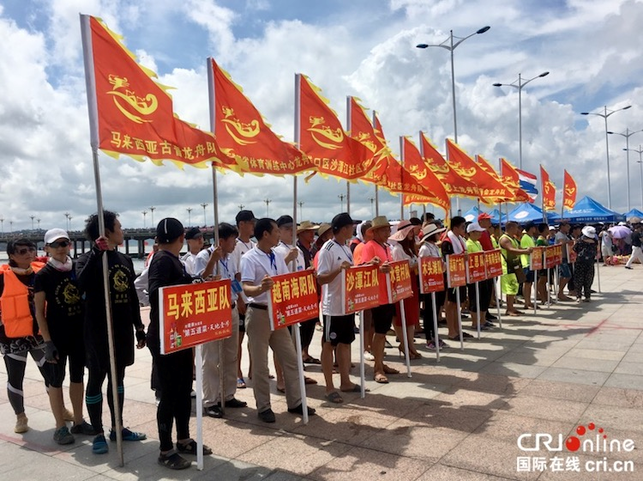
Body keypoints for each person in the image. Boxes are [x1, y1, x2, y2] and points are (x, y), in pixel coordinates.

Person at [76, 211, 147, 454]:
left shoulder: (125, 260)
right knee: (97, 377)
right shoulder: (86, 258)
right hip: (97, 330)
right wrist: (96, 253)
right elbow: (79, 286)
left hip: (122, 329)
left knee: (118, 378)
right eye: (119, 226)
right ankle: (97, 431)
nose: (123, 230)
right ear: (107, 231)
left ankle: (118, 427)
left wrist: (138, 326)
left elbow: (131, 298)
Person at [147, 218, 212, 469]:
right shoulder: (163, 259)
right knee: (170, 394)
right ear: (181, 237)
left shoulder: (174, 259)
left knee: (184, 390)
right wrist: (186, 284)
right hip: (165, 336)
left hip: (180, 335)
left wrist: (194, 281)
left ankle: (183, 438)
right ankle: (165, 449)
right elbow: (156, 293)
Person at [240, 218, 315, 423]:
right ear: (266, 234)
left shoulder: (277, 256)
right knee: (261, 364)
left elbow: (285, 281)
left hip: (278, 314)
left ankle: (296, 401)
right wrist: (260, 288)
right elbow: (245, 287)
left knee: (290, 358)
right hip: (259, 313)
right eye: (276, 231)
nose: (279, 235)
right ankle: (263, 406)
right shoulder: (249, 258)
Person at [34, 229, 94, 445]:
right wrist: (47, 341)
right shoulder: (43, 276)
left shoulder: (77, 268)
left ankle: (78, 420)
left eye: (64, 243)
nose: (61, 247)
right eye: (56, 244)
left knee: (78, 377)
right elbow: (39, 312)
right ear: (47, 248)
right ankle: (60, 426)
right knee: (55, 380)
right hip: (56, 336)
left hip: (78, 335)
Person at [1, 239, 53, 435]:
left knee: (51, 374)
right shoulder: (2, 278)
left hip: (40, 335)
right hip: (12, 338)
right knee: (15, 377)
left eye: (31, 249)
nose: (28, 253)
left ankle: (60, 409)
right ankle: (20, 416)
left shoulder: (41, 273)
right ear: (12, 256)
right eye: (22, 251)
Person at [202, 222, 247, 418]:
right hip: (212, 312)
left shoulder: (230, 257)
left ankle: (227, 394)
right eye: (232, 241)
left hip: (231, 308)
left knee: (231, 355)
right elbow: (198, 280)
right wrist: (212, 261)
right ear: (221, 240)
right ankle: (210, 400)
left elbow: (233, 279)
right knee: (211, 358)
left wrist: (242, 298)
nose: (235, 245)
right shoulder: (204, 257)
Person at [316, 213, 360, 403]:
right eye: (351, 226)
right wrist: (338, 269)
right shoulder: (328, 249)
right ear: (344, 229)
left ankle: (345, 381)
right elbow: (321, 278)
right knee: (329, 344)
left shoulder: (346, 248)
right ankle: (329, 387)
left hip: (347, 304)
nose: (352, 230)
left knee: (345, 342)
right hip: (333, 306)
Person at [359, 216, 399, 383]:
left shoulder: (386, 247)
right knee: (379, 333)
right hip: (377, 296)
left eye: (388, 229)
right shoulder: (369, 246)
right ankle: (378, 368)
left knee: (383, 332)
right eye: (383, 230)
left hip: (388, 294)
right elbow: (362, 267)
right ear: (374, 232)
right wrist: (375, 266)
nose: (387, 232)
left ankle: (381, 363)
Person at [230, 210, 256, 389]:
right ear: (241, 224)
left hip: (254, 299)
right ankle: (237, 372)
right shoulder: (236, 246)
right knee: (238, 339)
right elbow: (233, 275)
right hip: (242, 298)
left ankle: (254, 369)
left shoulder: (254, 245)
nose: (253, 225)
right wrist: (239, 297)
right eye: (251, 222)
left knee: (254, 338)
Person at [389, 221, 421, 359]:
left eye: (412, 231)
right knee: (404, 314)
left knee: (412, 315)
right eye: (408, 231)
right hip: (402, 284)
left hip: (412, 282)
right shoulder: (397, 249)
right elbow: (398, 269)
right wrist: (414, 266)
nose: (411, 234)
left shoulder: (409, 248)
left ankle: (409, 344)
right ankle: (405, 344)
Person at [296, 221, 321, 365]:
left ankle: (305, 352)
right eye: (309, 232)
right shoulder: (298, 251)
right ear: (301, 234)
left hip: (313, 291)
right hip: (302, 293)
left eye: (313, 231)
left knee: (311, 323)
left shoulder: (311, 250)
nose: (312, 234)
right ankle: (300, 355)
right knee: (303, 326)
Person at [441, 216, 471, 340]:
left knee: (458, 303)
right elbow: (447, 260)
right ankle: (451, 331)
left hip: (461, 275)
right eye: (463, 227)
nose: (465, 229)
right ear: (455, 227)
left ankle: (458, 329)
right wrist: (460, 258)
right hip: (452, 276)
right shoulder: (447, 241)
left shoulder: (460, 239)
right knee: (451, 303)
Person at [418, 223, 447, 350]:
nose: (439, 235)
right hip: (429, 284)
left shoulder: (434, 247)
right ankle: (429, 338)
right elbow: (423, 266)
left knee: (435, 311)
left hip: (437, 282)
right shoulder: (425, 249)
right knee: (429, 312)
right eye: (437, 233)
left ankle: (435, 336)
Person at [499, 221, 532, 316]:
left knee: (514, 288)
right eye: (516, 228)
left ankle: (512, 307)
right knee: (510, 288)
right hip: (507, 266)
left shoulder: (512, 238)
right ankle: (509, 309)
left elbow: (518, 247)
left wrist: (526, 249)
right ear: (511, 228)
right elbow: (511, 250)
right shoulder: (505, 239)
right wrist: (525, 251)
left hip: (514, 266)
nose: (518, 230)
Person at [465, 223, 491, 331]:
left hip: (481, 274)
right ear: (471, 233)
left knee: (484, 297)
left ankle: (482, 320)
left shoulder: (478, 243)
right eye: (478, 231)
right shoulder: (468, 244)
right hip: (473, 276)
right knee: (474, 299)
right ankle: (475, 322)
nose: (480, 233)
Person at [573, 226, 598, 302]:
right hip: (590, 262)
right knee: (588, 278)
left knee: (579, 279)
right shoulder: (595, 242)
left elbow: (575, 249)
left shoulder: (580, 241)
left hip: (580, 262)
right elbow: (596, 251)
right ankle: (587, 296)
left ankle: (579, 296)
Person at [519, 222, 537, 310]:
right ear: (531, 228)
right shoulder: (525, 238)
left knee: (529, 284)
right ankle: (527, 302)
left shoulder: (531, 237)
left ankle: (529, 301)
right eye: (534, 228)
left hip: (531, 263)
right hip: (526, 263)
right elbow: (525, 249)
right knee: (527, 284)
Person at [555, 222, 574, 301]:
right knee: (567, 275)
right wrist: (568, 242)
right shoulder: (559, 234)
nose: (568, 228)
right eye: (567, 226)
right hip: (561, 258)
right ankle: (560, 292)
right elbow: (561, 243)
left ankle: (561, 292)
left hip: (566, 257)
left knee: (564, 275)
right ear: (562, 226)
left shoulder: (565, 235)